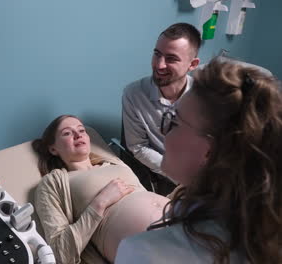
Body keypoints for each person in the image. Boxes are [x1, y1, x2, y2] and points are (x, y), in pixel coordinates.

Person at [115, 58, 282, 263]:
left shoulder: (145, 253)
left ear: (210, 152)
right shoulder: (263, 225)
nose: (162, 130)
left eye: (174, 121)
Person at [32, 115, 171, 263]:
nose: (78, 134)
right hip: (148, 249)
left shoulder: (113, 163)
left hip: (180, 223)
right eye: (67, 133)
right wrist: (100, 202)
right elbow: (61, 253)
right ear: (53, 149)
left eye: (81, 130)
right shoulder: (52, 183)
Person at [122, 22, 201, 190]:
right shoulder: (134, 94)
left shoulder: (205, 97)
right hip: (163, 173)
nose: (159, 65)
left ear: (192, 65)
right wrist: (178, 176)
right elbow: (138, 147)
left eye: (171, 59)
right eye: (157, 54)